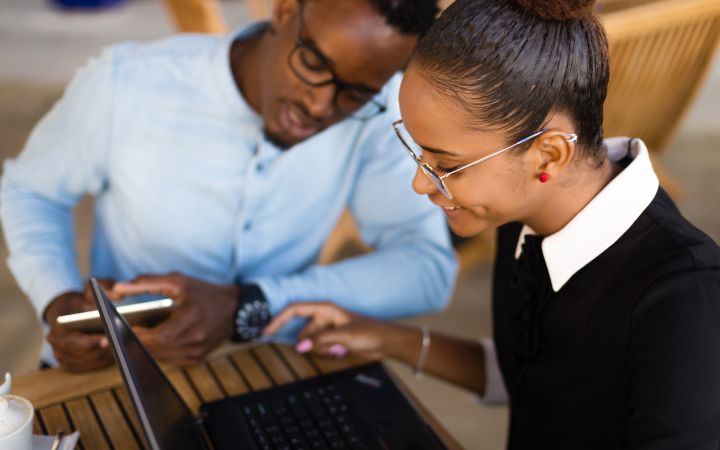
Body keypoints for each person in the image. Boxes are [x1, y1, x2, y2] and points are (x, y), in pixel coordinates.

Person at [262, 0, 720, 448]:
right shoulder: (522, 215)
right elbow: (537, 375)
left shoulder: (686, 301)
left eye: (447, 164)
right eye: (419, 151)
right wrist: (387, 339)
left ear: (549, 154)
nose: (421, 183)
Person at [0, 0, 457, 372]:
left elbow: (425, 270)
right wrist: (55, 296)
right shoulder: (128, 83)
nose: (320, 105)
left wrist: (250, 305)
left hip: (267, 367)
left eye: (355, 93)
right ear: (283, 12)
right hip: (117, 362)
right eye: (313, 62)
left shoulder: (378, 115)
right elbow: (31, 190)